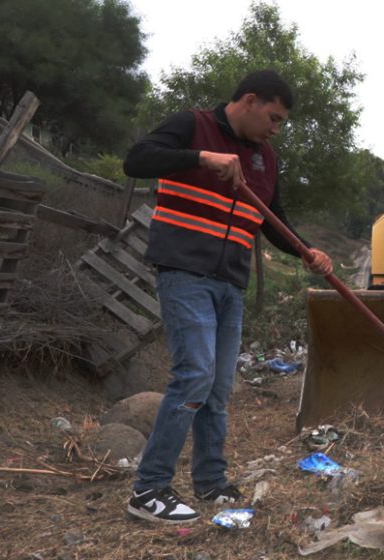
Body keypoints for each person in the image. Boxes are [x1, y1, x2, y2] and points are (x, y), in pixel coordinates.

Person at [122, 69, 332, 524]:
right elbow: (136, 160)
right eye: (273, 118)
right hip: (184, 270)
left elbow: (273, 218)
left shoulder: (265, 159)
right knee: (194, 374)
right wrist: (201, 158)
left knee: (218, 389)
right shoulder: (191, 125)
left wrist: (306, 251)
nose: (275, 129)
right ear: (250, 101)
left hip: (230, 282)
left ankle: (211, 482)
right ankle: (149, 489)